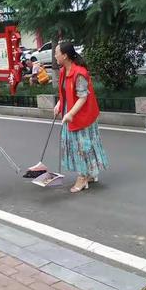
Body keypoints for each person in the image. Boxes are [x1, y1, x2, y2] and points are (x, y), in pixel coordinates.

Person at [54, 41, 109, 192]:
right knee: (80, 145)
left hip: (82, 114)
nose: (55, 55)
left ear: (64, 56)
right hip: (71, 110)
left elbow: (83, 97)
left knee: (81, 146)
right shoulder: (64, 71)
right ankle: (90, 173)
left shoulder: (79, 73)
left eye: (57, 53)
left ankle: (82, 177)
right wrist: (60, 103)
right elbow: (65, 92)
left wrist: (70, 114)